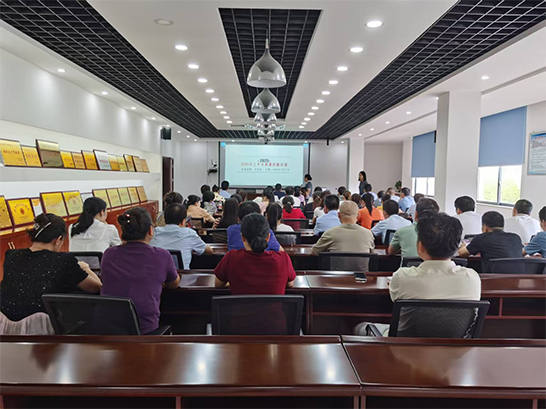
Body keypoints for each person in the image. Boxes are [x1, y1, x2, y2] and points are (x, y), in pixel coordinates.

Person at [1, 214, 102, 321]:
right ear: (58, 240)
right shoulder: (64, 261)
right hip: (42, 325)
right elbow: (97, 287)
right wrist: (85, 267)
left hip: (6, 325)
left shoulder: (11, 255)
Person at [101, 207, 180, 334]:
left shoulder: (109, 254)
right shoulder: (162, 255)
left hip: (109, 328)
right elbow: (174, 283)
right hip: (144, 330)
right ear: (150, 230)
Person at [215, 213, 295, 293]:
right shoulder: (283, 259)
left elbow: (218, 285)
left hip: (240, 301)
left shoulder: (231, 258)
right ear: (268, 237)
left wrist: (231, 283)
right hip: (273, 302)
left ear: (242, 237)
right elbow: (290, 284)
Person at [312, 201, 375, 268]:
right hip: (361, 274)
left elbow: (314, 252)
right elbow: (372, 253)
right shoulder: (368, 234)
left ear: (338, 215)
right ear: (358, 216)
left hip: (336, 274)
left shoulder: (330, 233)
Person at [150, 203, 213, 269]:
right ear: (183, 221)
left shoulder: (153, 233)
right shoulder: (189, 233)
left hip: (157, 274)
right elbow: (209, 251)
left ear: (165, 220)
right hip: (181, 274)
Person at [459, 211, 523, 272]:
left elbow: (462, 253)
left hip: (493, 277)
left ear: (485, 227)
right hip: (518, 277)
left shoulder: (482, 238)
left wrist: (463, 245)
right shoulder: (516, 237)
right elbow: (522, 252)